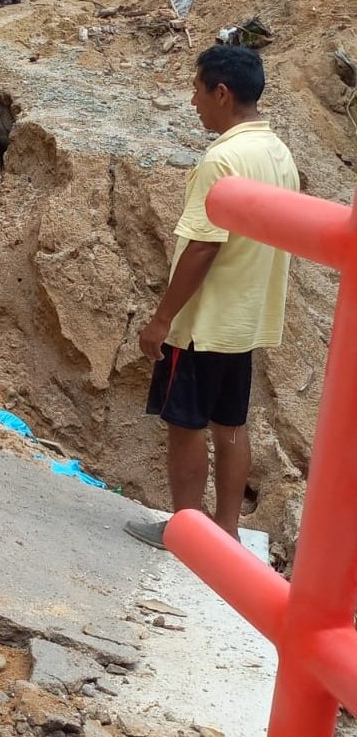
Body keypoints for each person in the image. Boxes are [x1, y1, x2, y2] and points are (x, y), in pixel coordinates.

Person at [125, 46, 301, 550]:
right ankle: (225, 531)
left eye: (198, 89)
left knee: (185, 425)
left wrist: (162, 319)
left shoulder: (222, 158)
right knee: (231, 425)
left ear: (221, 93)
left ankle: (187, 532)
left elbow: (203, 247)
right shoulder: (277, 153)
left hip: (202, 322)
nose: (193, 99)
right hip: (244, 321)